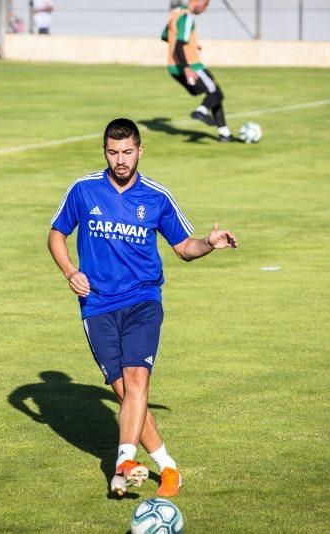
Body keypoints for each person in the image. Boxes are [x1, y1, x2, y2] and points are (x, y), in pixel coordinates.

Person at [48, 118, 238, 497]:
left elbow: (184, 248)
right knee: (125, 394)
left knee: (137, 382)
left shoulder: (157, 197)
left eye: (127, 152)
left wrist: (208, 242)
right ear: (105, 151)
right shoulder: (84, 190)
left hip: (142, 301)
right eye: (113, 152)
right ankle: (168, 468)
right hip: (97, 305)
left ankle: (123, 465)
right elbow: (56, 234)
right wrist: (70, 271)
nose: (120, 160)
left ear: (140, 151)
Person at [162, 0, 235, 142]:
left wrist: (193, 44)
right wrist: (187, 68)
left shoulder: (174, 14)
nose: (205, 8)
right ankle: (201, 111)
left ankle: (224, 134)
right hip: (191, 65)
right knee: (216, 93)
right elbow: (179, 45)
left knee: (213, 93)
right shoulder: (187, 17)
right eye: (206, 4)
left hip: (173, 67)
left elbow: (165, 37)